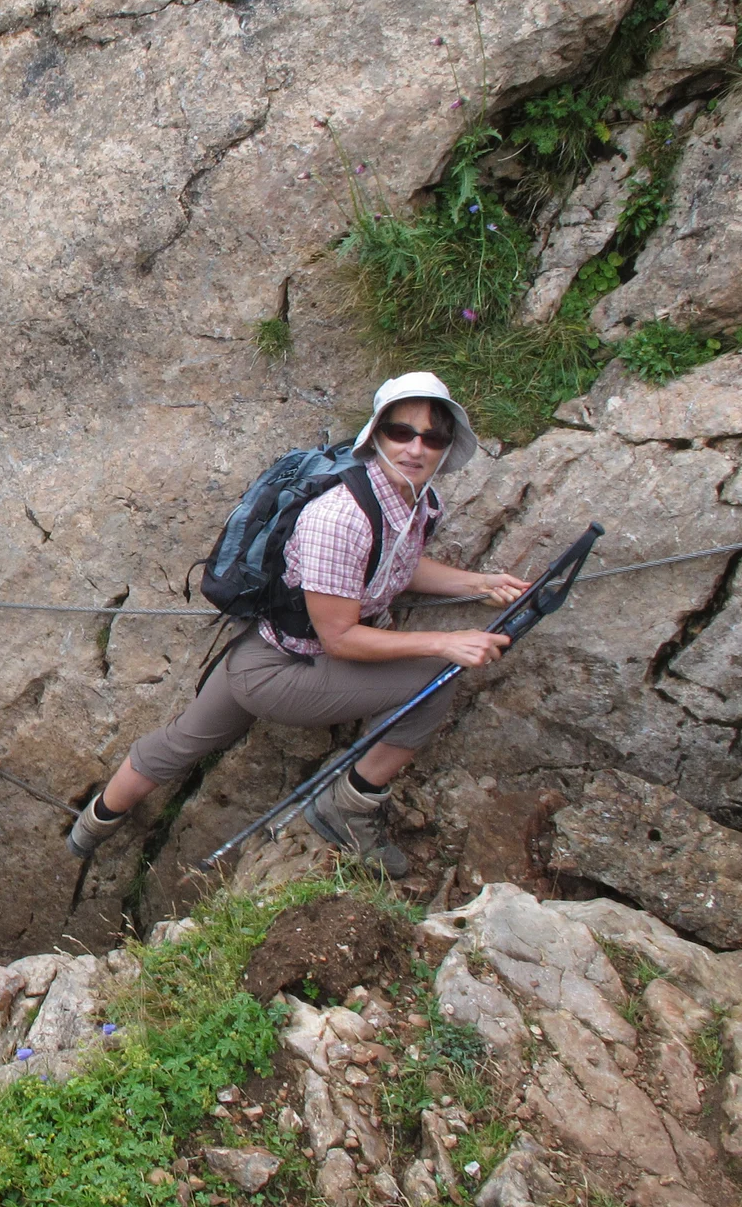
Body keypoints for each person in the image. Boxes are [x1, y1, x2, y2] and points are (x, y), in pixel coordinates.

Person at [67, 373, 527, 878]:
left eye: (433, 437)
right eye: (401, 432)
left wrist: (477, 584)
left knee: (181, 742)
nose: (416, 448)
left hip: (259, 652)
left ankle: (88, 831)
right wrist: (446, 642)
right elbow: (340, 638)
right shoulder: (341, 515)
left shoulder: (414, 500)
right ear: (376, 434)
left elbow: (392, 564)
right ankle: (349, 806)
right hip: (287, 669)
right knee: (436, 680)